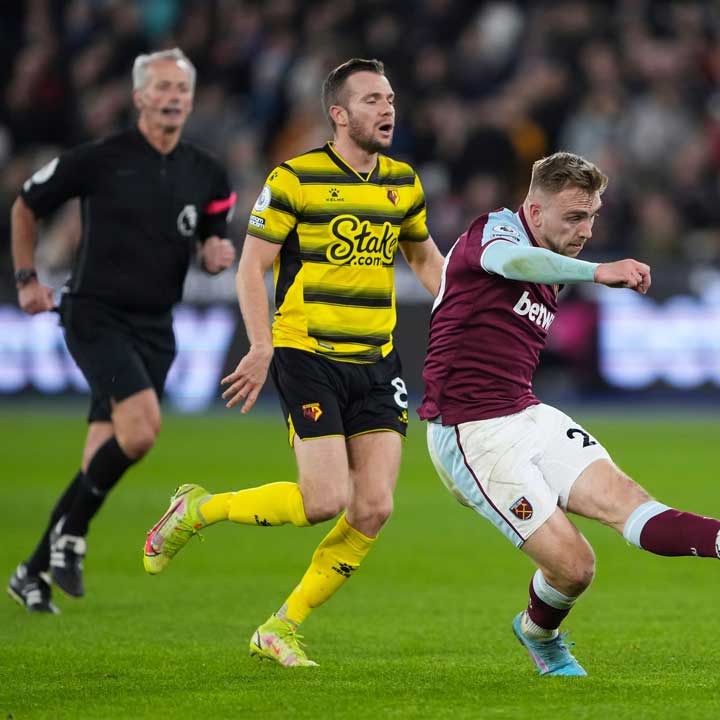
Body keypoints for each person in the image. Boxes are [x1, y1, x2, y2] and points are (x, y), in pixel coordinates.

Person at [419, 151, 720, 677]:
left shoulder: (551, 263)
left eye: (593, 216)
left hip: (525, 413)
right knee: (575, 568)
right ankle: (540, 634)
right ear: (534, 212)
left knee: (629, 502)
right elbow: (510, 264)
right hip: (470, 432)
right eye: (574, 217)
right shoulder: (498, 231)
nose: (586, 229)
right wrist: (597, 272)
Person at [141, 58, 444, 667]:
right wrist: (261, 345)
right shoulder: (294, 179)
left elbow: (424, 258)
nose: (387, 110)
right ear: (339, 114)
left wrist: (463, 318)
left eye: (390, 98)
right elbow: (252, 268)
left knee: (376, 506)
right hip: (308, 352)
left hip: (379, 359)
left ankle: (281, 627)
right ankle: (198, 509)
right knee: (324, 501)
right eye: (371, 101)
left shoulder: (403, 182)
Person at [7, 49, 236, 614]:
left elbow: (210, 237)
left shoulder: (207, 171)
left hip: (158, 326)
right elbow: (25, 206)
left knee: (99, 458)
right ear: (138, 97)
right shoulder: (100, 158)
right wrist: (27, 280)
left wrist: (214, 252)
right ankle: (71, 539)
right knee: (142, 431)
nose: (173, 96)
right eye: (161, 87)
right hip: (95, 315)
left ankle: (32, 571)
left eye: (181, 87)